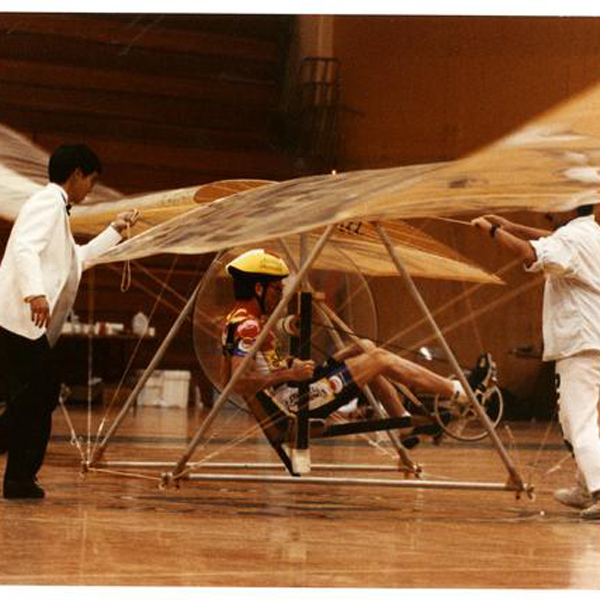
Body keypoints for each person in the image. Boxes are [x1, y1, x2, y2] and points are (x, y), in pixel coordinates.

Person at [220, 248, 496, 455]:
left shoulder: (242, 320)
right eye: (276, 289)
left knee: (365, 348)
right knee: (378, 359)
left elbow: (265, 371)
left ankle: (406, 425)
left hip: (296, 393)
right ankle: (460, 393)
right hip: (295, 405)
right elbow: (236, 382)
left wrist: (325, 360)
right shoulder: (247, 327)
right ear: (258, 287)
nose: (280, 295)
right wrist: (290, 372)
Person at [0, 143, 139, 499]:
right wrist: (35, 294)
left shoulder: (54, 208)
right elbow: (25, 248)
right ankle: (18, 479)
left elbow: (76, 259)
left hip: (20, 321)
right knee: (39, 393)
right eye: (91, 180)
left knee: (31, 396)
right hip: (19, 318)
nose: (90, 188)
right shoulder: (48, 203)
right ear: (76, 174)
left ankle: (19, 477)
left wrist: (114, 230)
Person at [472, 205, 600, 520]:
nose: (548, 213)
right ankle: (586, 485)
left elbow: (533, 254)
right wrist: (513, 225)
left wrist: (493, 232)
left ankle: (598, 489)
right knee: (584, 423)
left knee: (577, 423)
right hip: (594, 339)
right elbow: (553, 239)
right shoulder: (587, 231)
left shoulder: (573, 237)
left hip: (580, 343)